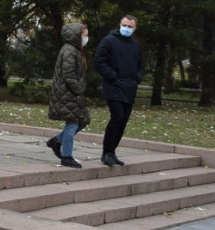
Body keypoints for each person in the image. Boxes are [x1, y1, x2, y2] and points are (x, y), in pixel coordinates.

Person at [94, 15, 143, 167]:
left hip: (129, 87)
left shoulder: (136, 45)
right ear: (120, 24)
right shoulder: (109, 41)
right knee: (117, 117)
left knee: (123, 121)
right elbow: (99, 61)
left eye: (130, 26)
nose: (126, 28)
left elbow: (140, 64)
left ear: (134, 28)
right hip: (113, 86)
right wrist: (113, 76)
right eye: (124, 25)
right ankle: (106, 152)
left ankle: (112, 152)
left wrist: (136, 79)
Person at [45, 23, 90, 169]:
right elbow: (68, 74)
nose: (86, 38)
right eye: (85, 35)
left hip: (70, 92)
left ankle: (56, 141)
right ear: (77, 35)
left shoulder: (74, 50)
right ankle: (67, 156)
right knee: (73, 123)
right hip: (68, 92)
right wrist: (78, 89)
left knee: (82, 121)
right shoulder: (70, 50)